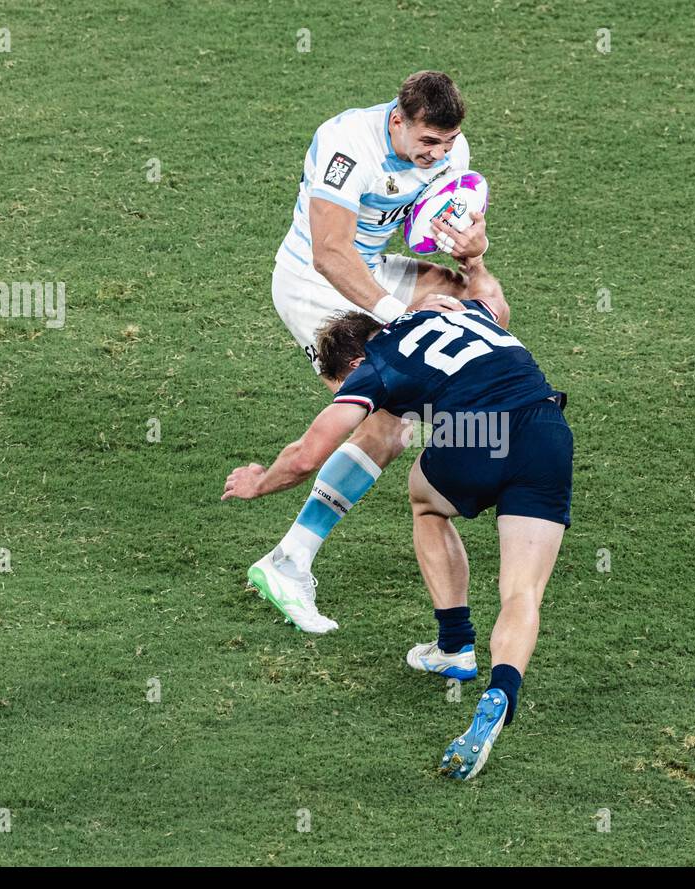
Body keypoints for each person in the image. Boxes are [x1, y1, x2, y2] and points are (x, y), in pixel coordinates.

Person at [223, 255, 572, 781]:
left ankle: (455, 644)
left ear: (347, 364)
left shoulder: (376, 363)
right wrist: (474, 258)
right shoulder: (462, 311)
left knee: (426, 499)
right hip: (547, 429)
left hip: (479, 436)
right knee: (522, 593)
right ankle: (501, 689)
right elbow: (497, 301)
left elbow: (308, 454)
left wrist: (259, 483)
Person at [257, 71, 489, 633]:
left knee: (479, 306)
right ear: (398, 121)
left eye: (447, 143)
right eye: (428, 142)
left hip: (377, 269)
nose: (439, 155)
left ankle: (485, 424)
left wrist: (472, 249)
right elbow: (331, 255)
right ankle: (289, 562)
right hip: (314, 284)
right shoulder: (347, 143)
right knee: (386, 422)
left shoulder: (450, 150)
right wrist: (398, 317)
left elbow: (431, 231)